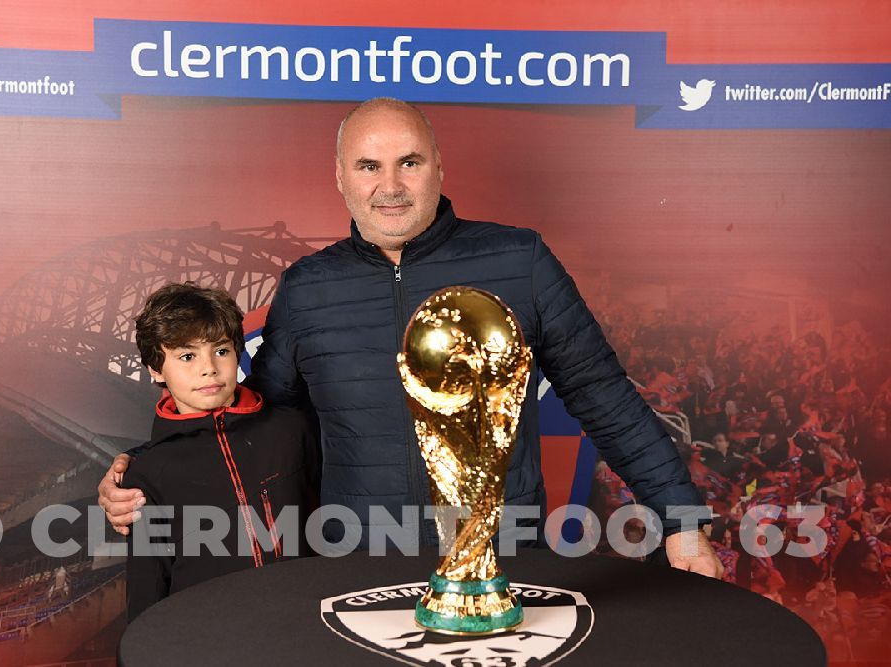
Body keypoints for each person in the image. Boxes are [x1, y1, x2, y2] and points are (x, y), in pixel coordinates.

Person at [100, 98, 722, 577]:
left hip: (502, 558)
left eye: (409, 162)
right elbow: (257, 421)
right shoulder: (306, 287)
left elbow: (602, 395)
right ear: (341, 177)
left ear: (439, 168)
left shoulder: (522, 259)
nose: (389, 185)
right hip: (357, 561)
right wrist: (146, 470)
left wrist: (681, 520)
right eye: (369, 165)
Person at [121, 283, 318, 621]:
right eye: (187, 356)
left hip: (303, 621)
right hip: (208, 636)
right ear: (156, 370)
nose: (209, 367)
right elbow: (147, 588)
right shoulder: (147, 472)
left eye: (221, 351)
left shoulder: (292, 429)